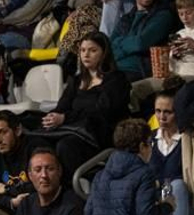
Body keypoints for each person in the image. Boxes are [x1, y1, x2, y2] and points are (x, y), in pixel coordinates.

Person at [40, 31, 134, 174]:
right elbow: (62, 107)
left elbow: (102, 112)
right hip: (74, 130)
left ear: (104, 53)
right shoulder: (76, 80)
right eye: (83, 50)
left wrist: (66, 118)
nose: (86, 55)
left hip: (99, 135)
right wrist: (52, 117)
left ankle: (71, 189)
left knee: (65, 146)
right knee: (38, 142)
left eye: (92, 50)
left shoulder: (116, 80)